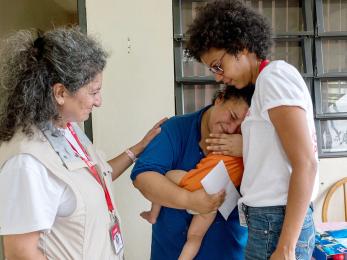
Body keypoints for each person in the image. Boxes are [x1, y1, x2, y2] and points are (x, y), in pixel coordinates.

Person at [0, 27, 165, 259]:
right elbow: (21, 254)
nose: (99, 101)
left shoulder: (67, 128)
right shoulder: (26, 162)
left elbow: (95, 177)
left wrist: (139, 148)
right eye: (93, 92)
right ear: (60, 92)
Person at [185, 1, 319, 260]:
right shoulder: (266, 84)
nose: (217, 77)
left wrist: (286, 247)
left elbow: (306, 163)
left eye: (217, 65)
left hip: (276, 221)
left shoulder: (273, 77)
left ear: (241, 46)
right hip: (270, 219)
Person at [131, 85, 254, 260]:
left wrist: (250, 147)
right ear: (220, 98)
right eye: (232, 116)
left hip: (230, 252)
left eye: (243, 127)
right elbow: (143, 178)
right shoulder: (177, 128)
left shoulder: (254, 144)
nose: (232, 129)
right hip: (169, 252)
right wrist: (190, 200)